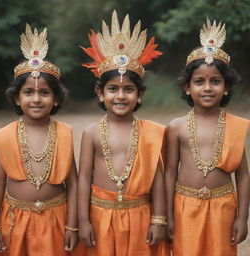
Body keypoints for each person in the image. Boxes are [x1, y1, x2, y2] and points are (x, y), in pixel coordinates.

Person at [77, 10, 170, 256]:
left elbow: (158, 178)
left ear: (140, 95)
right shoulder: (91, 133)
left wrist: (159, 219)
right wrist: (83, 220)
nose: (120, 96)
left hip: (141, 215)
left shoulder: (152, 132)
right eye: (112, 89)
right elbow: (84, 178)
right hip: (100, 216)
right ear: (100, 93)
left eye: (128, 89)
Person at [165, 18, 250, 256]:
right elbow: (170, 172)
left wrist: (243, 218)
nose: (208, 88)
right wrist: (168, 216)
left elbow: (242, 175)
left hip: (223, 207)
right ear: (187, 88)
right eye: (199, 82)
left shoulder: (233, 126)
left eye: (215, 81)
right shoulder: (177, 127)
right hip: (184, 207)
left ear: (227, 87)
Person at [0, 24, 78, 256]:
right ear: (17, 99)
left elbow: (73, 183)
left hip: (56, 220)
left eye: (44, 93)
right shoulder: (4, 136)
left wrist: (72, 225)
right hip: (15, 221)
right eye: (28, 93)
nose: (36, 99)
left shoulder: (64, 133)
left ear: (57, 99)